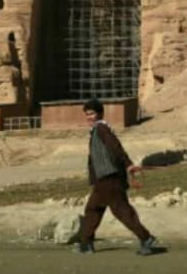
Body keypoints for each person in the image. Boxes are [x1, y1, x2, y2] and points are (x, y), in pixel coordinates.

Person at [75, 98, 159, 256]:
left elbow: (115, 147)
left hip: (109, 178)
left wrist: (128, 164)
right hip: (102, 181)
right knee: (93, 209)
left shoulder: (101, 128)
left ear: (99, 114)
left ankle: (146, 238)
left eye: (92, 114)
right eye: (87, 114)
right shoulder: (96, 130)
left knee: (121, 210)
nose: (89, 117)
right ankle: (86, 244)